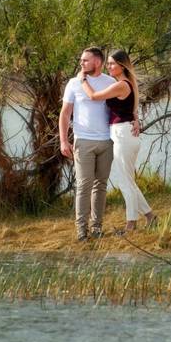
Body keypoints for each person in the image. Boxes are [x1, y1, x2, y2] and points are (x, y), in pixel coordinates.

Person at [80, 49, 157, 234]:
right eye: (107, 63)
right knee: (128, 181)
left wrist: (83, 79)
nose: (109, 67)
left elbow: (93, 96)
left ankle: (131, 225)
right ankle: (150, 216)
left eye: (112, 63)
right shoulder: (124, 83)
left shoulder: (122, 84)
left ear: (122, 66)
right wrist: (136, 118)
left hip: (123, 135)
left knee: (125, 183)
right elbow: (131, 108)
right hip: (122, 134)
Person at [59, 47, 116, 241]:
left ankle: (97, 228)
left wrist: (133, 119)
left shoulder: (110, 82)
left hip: (107, 142)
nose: (81, 63)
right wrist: (63, 140)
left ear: (97, 62)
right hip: (83, 141)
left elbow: (121, 107)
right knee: (84, 185)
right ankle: (81, 231)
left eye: (85, 60)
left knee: (100, 185)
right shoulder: (74, 83)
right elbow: (65, 113)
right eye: (81, 60)